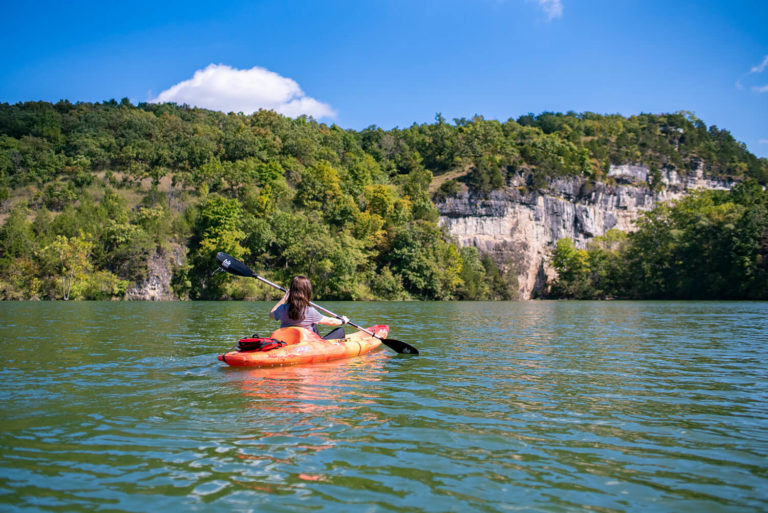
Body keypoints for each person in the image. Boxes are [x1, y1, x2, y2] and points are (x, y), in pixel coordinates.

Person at [270, 276, 348, 336]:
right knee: (340, 331)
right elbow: (330, 321)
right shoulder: (309, 311)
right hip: (307, 345)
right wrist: (343, 321)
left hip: (288, 342)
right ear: (307, 291)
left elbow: (271, 314)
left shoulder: (282, 309)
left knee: (314, 326)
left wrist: (284, 298)